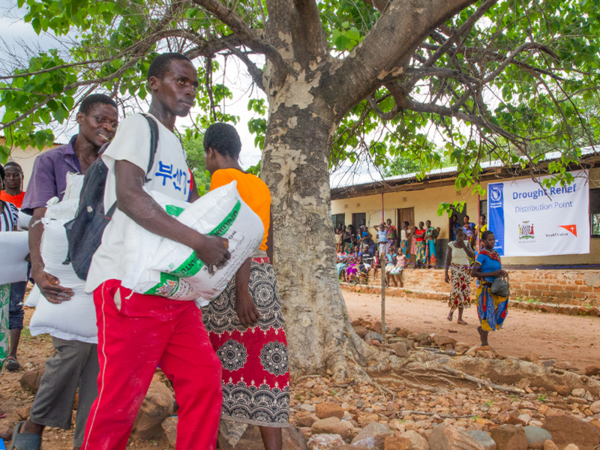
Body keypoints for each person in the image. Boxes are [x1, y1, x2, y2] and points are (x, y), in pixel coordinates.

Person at [81, 54, 229, 450]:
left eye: (194, 84)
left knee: (203, 379)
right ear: (153, 84)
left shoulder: (177, 146)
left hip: (172, 288)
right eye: (180, 81)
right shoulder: (137, 126)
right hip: (129, 281)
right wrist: (198, 242)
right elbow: (130, 196)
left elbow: (188, 210)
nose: (189, 90)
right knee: (120, 400)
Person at [12, 94, 119, 450]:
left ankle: (84, 442)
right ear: (80, 117)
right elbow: (39, 220)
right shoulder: (52, 161)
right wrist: (38, 272)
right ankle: (34, 425)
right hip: (61, 275)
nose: (106, 127)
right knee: (72, 351)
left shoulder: (115, 166)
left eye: (112, 123)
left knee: (97, 367)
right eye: (100, 119)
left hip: (102, 274)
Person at [202, 123, 290, 450]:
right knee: (267, 369)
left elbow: (235, 237)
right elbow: (266, 241)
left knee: (213, 367)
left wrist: (241, 291)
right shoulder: (260, 185)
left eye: (206, 156)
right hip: (263, 277)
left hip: (233, 279)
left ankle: (211, 439)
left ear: (212, 151)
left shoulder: (221, 178)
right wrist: (260, 284)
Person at [0, 162, 27, 371]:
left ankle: (10, 355)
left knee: (13, 309)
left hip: (10, 270)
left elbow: (22, 233)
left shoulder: (12, 209)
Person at [471, 230, 509, 347]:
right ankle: (484, 343)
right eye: (489, 240)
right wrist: (492, 273)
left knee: (499, 311)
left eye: (493, 239)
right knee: (487, 315)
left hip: (496, 289)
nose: (492, 242)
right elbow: (473, 273)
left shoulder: (496, 254)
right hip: (485, 290)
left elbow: (497, 269)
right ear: (483, 241)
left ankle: (482, 330)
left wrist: (501, 272)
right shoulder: (482, 255)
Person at [445, 228, 474, 325]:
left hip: (465, 271)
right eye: (459, 235)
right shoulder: (451, 245)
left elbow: (472, 255)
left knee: (463, 292)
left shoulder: (466, 243)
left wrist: (463, 246)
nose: (461, 237)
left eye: (463, 235)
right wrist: (446, 273)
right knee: (456, 292)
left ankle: (460, 318)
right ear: (455, 234)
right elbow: (447, 259)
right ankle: (451, 312)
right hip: (455, 271)